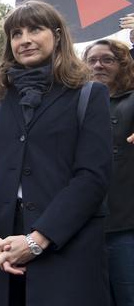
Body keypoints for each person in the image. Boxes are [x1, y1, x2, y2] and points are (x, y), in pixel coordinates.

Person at [0, 0, 112, 305]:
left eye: (35, 29)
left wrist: (37, 241)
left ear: (57, 35)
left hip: (65, 244)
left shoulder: (89, 94)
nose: (25, 39)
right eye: (16, 34)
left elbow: (92, 177)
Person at [83, 39, 134, 305]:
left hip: (126, 224)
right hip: (87, 226)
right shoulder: (79, 105)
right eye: (92, 60)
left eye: (107, 60)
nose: (98, 65)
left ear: (123, 64)